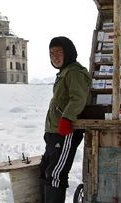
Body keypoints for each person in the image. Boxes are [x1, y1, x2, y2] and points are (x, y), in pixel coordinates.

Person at [40, 36, 91, 202]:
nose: (54, 56)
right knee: (46, 170)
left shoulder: (75, 72)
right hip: (54, 131)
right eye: (51, 53)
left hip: (66, 131)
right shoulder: (64, 73)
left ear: (68, 52)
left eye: (59, 52)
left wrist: (67, 119)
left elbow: (78, 98)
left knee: (56, 173)